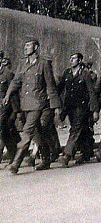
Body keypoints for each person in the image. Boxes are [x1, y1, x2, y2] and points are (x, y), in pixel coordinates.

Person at [3, 36, 62, 174]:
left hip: (38, 104)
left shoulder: (43, 64)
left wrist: (56, 106)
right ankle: (46, 159)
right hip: (25, 105)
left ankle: (16, 163)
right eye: (25, 45)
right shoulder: (22, 64)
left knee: (27, 132)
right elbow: (16, 81)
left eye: (28, 45)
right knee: (39, 132)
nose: (25, 48)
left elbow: (50, 86)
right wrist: (8, 95)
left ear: (36, 48)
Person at [58, 52, 99, 167]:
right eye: (70, 58)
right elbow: (60, 88)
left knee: (75, 129)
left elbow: (91, 92)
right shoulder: (67, 73)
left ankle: (67, 155)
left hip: (82, 107)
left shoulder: (85, 74)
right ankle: (87, 152)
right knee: (83, 130)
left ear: (80, 60)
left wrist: (94, 110)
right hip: (70, 107)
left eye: (74, 58)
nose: (71, 60)